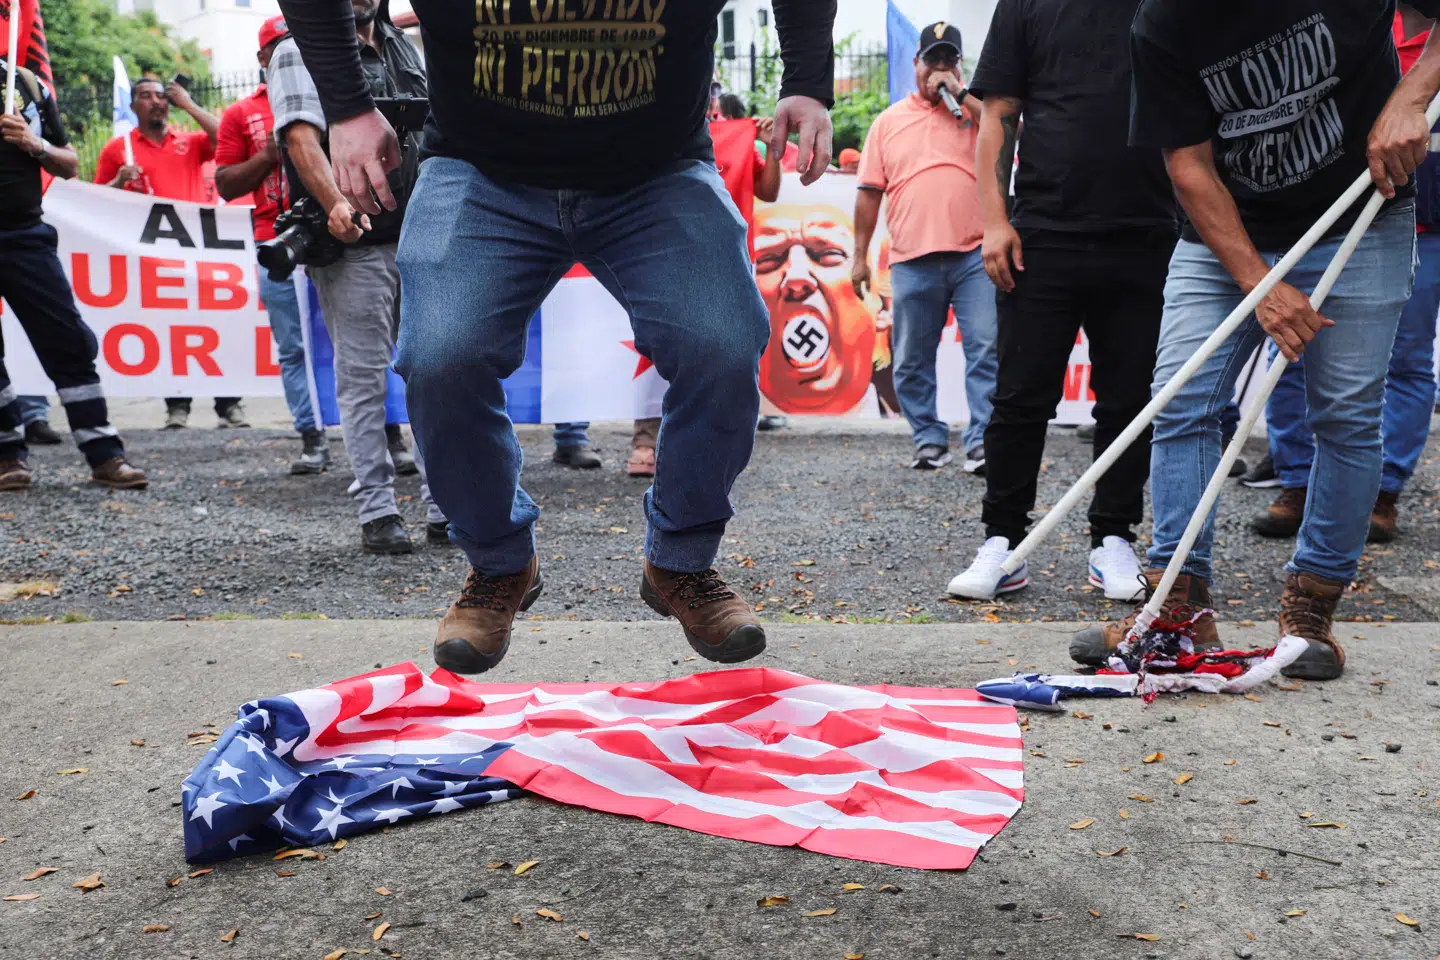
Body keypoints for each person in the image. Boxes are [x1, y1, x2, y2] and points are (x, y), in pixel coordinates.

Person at [277, 0, 835, 673]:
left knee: (721, 342)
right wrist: (347, 106)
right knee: (440, 357)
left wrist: (807, 79)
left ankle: (680, 562)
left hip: (655, 172)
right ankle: (500, 563)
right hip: (482, 169)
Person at [1074, 0, 1440, 682]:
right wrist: (1261, 284)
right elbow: (1188, 165)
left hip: (1361, 217)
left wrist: (1412, 95)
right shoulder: (1163, 18)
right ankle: (1177, 606)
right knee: (1182, 401)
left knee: (1347, 416)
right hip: (1223, 229)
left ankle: (1312, 610)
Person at [946, 0, 1181, 601]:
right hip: (1043, 233)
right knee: (1021, 397)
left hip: (1146, 233)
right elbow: (998, 113)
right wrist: (995, 221)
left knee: (1129, 399)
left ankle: (1114, 540)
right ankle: (1004, 543)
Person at [1251, 6, 1440, 546]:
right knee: (1288, 349)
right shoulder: (1342, 26)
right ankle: (1296, 481)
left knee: (1405, 359)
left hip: (1422, 225)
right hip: (1319, 223)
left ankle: (1383, 491)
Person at [267, 0, 450, 554]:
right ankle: (378, 509)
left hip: (421, 236)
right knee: (364, 379)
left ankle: (445, 505)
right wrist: (334, 205)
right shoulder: (299, 49)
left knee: (437, 371)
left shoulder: (406, 45)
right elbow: (300, 139)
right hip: (355, 242)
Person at [853, 24, 997, 474]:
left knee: (986, 348)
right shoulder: (889, 122)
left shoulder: (978, 115)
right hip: (912, 258)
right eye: (931, 61)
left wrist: (965, 97)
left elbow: (1013, 130)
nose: (938, 70)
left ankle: (981, 444)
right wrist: (859, 256)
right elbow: (869, 193)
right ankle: (929, 440)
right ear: (915, 65)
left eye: (947, 62)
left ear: (958, 67)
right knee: (913, 356)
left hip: (976, 255)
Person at [1, 57, 148, 491]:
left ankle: (104, 454)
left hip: (26, 235)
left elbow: (68, 164)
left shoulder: (26, 84)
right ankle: (8, 454)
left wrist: (33, 143)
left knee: (69, 342)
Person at [631, 95, 785, 476]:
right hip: (666, 252)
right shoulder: (659, 124)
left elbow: (768, 191)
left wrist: (770, 147)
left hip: (726, 254)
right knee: (657, 345)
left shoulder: (735, 134)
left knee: (726, 348)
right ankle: (646, 442)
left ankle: (705, 446)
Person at [95, 76, 246, 431]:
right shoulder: (119, 150)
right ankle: (177, 406)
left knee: (214, 327)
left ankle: (229, 406)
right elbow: (96, 199)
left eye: (161, 96)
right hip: (151, 258)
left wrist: (189, 105)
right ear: (133, 106)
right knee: (167, 330)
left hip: (199, 253)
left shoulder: (189, 142)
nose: (155, 102)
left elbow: (226, 138)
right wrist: (118, 182)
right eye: (145, 96)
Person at [214, 15, 329, 475]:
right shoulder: (240, 114)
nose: (291, 50)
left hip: (334, 241)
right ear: (263, 57)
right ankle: (312, 438)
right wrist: (269, 153)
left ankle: (390, 438)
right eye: (281, 44)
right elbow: (224, 183)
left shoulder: (333, 92)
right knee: (294, 348)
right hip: (275, 244)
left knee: (363, 346)